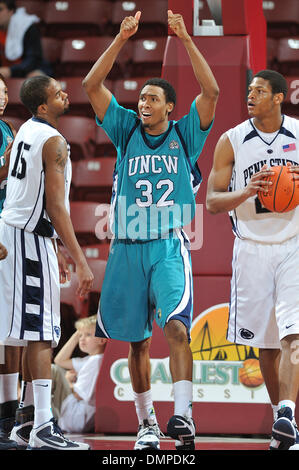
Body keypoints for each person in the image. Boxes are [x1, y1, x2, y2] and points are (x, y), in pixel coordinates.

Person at [83, 10, 219, 450]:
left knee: (177, 329)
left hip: (165, 245)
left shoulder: (185, 136)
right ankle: (147, 425)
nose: (144, 103)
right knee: (136, 343)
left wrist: (183, 37)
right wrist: (122, 37)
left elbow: (212, 90)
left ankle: (183, 417)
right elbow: (91, 85)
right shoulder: (125, 130)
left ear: (169, 108)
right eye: (141, 97)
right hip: (126, 247)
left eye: (153, 98)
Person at [206, 69, 299, 450]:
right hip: (251, 247)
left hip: (293, 244)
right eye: (249, 90)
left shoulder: (297, 132)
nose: (251, 95)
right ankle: (282, 419)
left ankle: (287, 415)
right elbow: (212, 202)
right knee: (267, 345)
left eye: (260, 91)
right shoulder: (231, 141)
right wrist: (245, 191)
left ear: (278, 97)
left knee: (295, 334)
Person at [0, 74, 94, 450]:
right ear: (43, 106)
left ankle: (24, 421)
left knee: (24, 331)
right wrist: (80, 258)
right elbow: (55, 207)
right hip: (26, 237)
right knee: (39, 331)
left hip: (19, 233)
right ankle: (42, 425)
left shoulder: (22, 130)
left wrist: (52, 247)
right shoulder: (53, 141)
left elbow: (4, 173)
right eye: (58, 93)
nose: (65, 94)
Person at [0, 71, 20, 451]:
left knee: (8, 330)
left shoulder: (7, 128)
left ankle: (9, 417)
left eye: (4, 92)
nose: (2, 97)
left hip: (9, 231)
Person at [51, 314, 107, 434]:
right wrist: (77, 334)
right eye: (80, 335)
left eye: (88, 335)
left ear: (102, 340)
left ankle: (36, 418)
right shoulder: (89, 359)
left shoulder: (95, 361)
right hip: (77, 412)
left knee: (52, 371)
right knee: (54, 368)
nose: (82, 339)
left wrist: (69, 382)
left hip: (77, 416)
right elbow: (59, 360)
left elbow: (78, 395)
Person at [0, 1, 52, 79]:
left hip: (28, 69)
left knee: (34, 78)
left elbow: (33, 59)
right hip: (5, 70)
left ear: (11, 11)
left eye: (0, 9)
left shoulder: (27, 27)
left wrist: (11, 71)